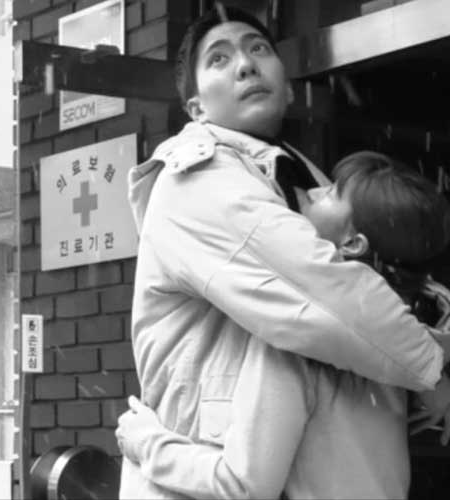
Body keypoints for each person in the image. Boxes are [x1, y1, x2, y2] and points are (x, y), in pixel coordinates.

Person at [122, 5, 450, 498]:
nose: (245, 65)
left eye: (258, 49)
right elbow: (324, 292)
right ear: (196, 108)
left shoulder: (298, 178)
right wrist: (433, 367)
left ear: (290, 87)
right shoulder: (197, 179)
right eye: (219, 59)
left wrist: (431, 369)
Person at [118, 151, 450, 499]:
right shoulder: (406, 339)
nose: (313, 191)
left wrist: (146, 442)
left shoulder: (299, 338)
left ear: (353, 244)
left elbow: (244, 486)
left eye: (333, 192)